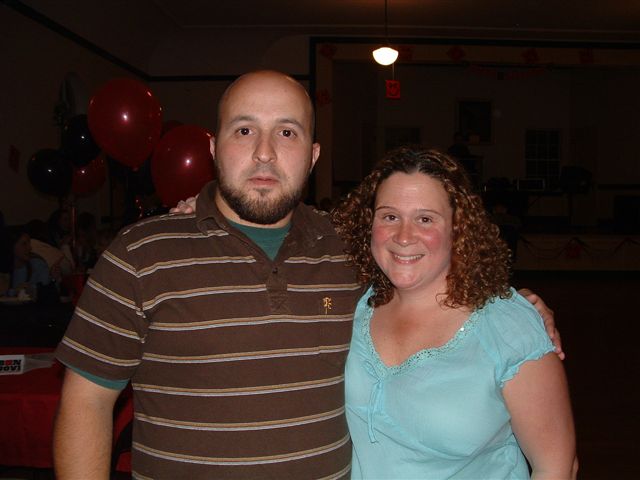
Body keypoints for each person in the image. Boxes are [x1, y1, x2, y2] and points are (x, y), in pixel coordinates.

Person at [54, 70, 560, 479]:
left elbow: (429, 273)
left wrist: (520, 311)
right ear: (213, 148)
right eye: (244, 130)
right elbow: (86, 403)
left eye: (287, 132)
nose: (265, 152)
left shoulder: (352, 249)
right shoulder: (141, 253)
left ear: (313, 156)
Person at [332, 146, 577, 479]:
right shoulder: (352, 305)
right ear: (369, 222)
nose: (403, 236)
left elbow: (557, 467)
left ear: (458, 228)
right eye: (389, 216)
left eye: (425, 219)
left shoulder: (507, 325)